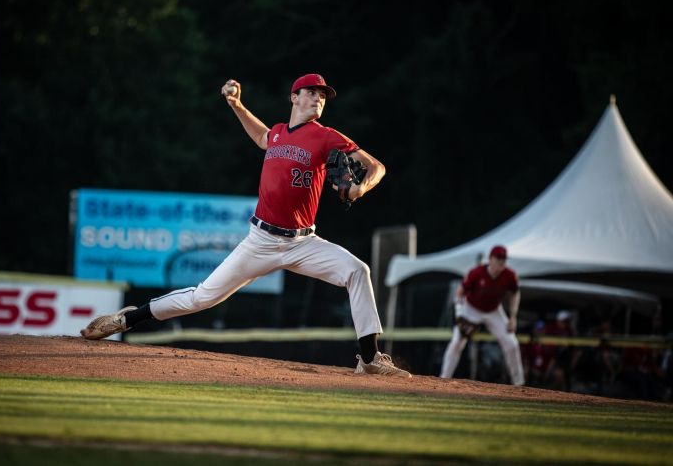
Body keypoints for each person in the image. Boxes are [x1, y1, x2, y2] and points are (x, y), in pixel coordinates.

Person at [81, 73, 411, 377]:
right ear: (294, 97)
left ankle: (369, 358)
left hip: (303, 243)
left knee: (358, 271)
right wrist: (236, 104)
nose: (318, 99)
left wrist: (360, 187)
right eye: (311, 93)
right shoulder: (279, 133)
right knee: (201, 298)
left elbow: (376, 166)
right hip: (261, 240)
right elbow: (262, 136)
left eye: (322, 96)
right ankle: (126, 319)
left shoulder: (326, 138)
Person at [439, 245, 525, 385]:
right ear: (490, 259)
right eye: (498, 258)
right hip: (471, 308)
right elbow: (460, 292)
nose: (501, 262)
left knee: (512, 344)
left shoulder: (509, 275)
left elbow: (515, 293)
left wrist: (513, 316)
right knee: (457, 342)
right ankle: (443, 379)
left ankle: (519, 384)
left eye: (503, 259)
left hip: (493, 311)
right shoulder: (477, 273)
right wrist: (460, 315)